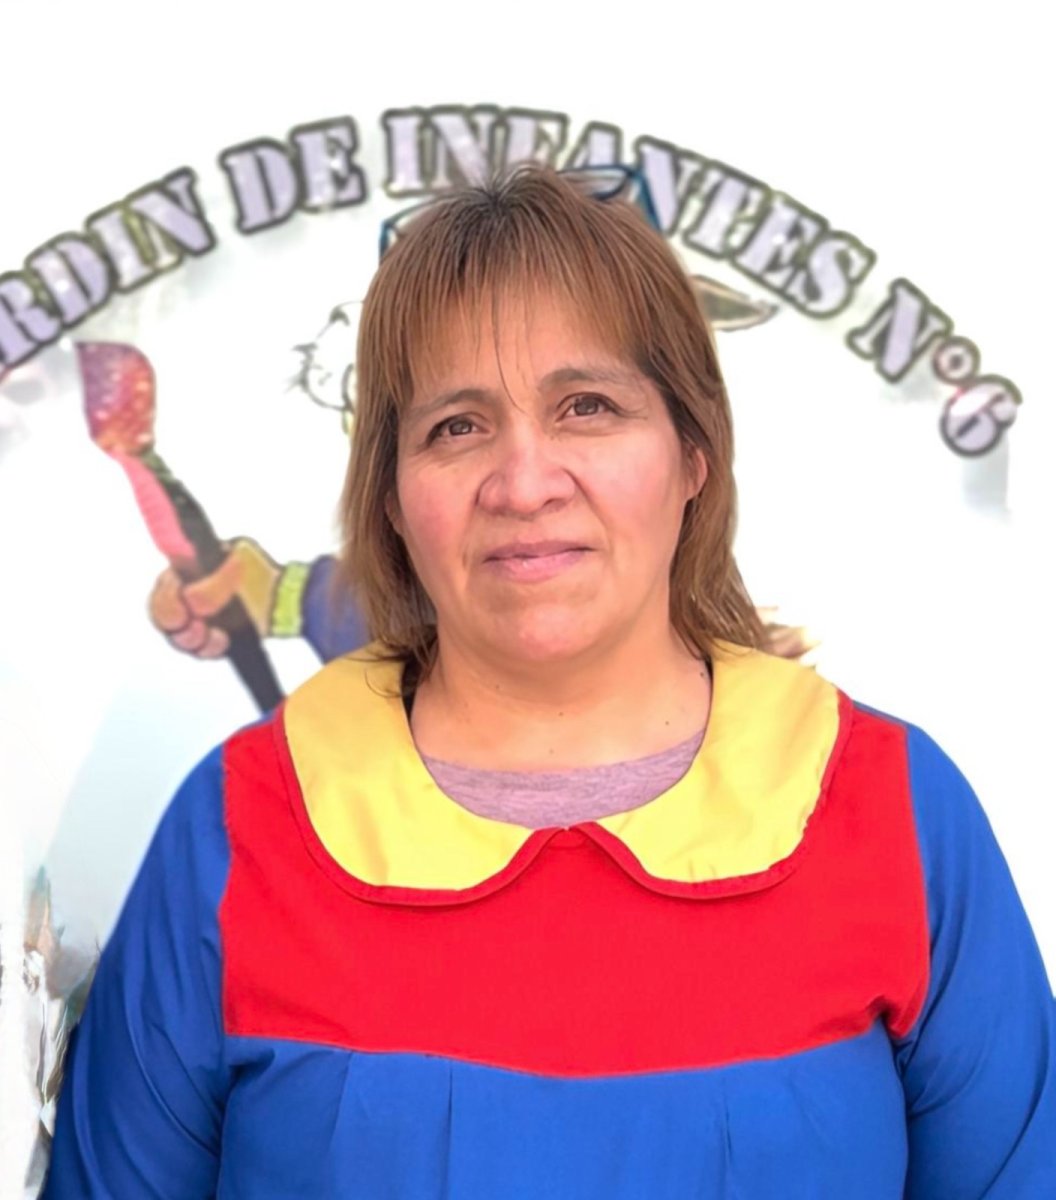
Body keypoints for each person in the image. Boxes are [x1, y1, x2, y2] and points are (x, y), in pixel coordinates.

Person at [45, 166, 1055, 1198]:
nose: (524, 484)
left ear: (694, 454)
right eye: (457, 426)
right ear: (390, 494)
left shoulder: (892, 807)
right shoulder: (239, 826)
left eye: (588, 407)